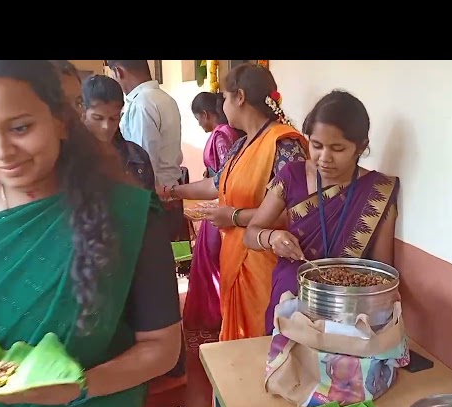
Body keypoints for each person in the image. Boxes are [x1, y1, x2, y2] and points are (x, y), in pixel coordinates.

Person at [0, 60, 182, 407]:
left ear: (61, 120)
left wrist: (79, 386)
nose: (1, 151)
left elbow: (162, 348)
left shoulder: (128, 215)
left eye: (20, 128)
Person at [158, 63, 309, 343]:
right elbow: (217, 184)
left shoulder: (284, 144)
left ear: (239, 96)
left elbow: (297, 213)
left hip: (267, 262)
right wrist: (172, 192)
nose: (223, 105)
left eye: (225, 97)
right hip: (234, 257)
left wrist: (234, 217)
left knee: (263, 340)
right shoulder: (242, 145)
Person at [244, 90, 401, 334]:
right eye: (316, 146)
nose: (324, 158)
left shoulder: (378, 191)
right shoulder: (291, 176)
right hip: (290, 299)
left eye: (337, 148)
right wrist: (272, 237)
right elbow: (250, 235)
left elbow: (380, 271)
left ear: (361, 147)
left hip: (347, 310)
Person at [106, 60, 187, 242]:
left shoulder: (141, 104)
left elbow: (142, 164)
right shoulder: (165, 99)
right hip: (170, 193)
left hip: (153, 200)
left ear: (118, 72)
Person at [181, 92, 242, 331]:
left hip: (222, 206)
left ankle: (213, 317)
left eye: (198, 119)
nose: (199, 124)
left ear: (206, 114)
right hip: (221, 203)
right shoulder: (229, 133)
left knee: (210, 264)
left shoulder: (221, 136)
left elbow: (223, 180)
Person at [81, 74, 155, 190]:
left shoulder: (137, 157)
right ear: (83, 113)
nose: (106, 126)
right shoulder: (70, 158)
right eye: (97, 118)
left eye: (113, 118)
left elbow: (151, 204)